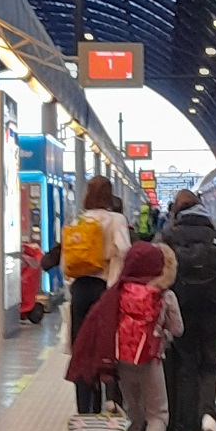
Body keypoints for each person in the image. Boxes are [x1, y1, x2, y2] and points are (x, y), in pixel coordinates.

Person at [68, 242, 183, 431]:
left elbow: (101, 326)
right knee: (158, 414)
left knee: (132, 410)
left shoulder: (117, 294)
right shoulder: (165, 295)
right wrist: (162, 335)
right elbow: (177, 329)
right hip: (151, 361)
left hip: (121, 363)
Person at [163, 189, 216, 431]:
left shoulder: (168, 237)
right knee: (209, 363)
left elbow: (157, 270)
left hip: (181, 308)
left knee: (186, 365)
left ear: (177, 212)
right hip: (212, 309)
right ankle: (208, 415)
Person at [68, 175, 130, 414]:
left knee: (81, 350)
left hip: (80, 289)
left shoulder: (79, 220)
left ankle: (85, 410)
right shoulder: (116, 220)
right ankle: (111, 401)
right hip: (105, 290)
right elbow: (124, 251)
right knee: (107, 348)